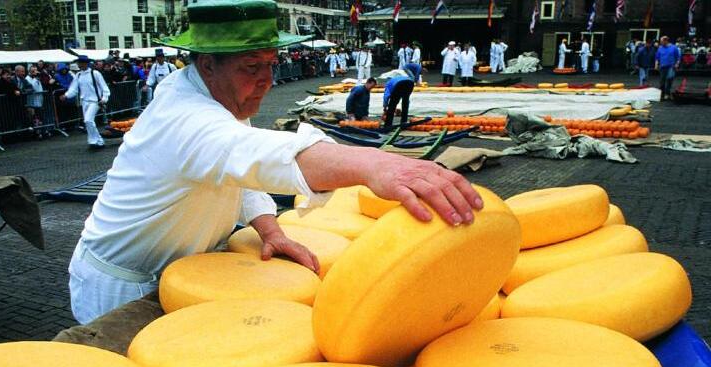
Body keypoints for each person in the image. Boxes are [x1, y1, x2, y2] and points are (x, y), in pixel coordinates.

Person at [67, 0, 483, 324]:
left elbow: (237, 173)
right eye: (252, 67)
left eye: (271, 64)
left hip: (184, 272)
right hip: (123, 285)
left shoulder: (219, 96)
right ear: (207, 64)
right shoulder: (184, 116)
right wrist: (374, 164)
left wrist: (269, 229)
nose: (266, 80)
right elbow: (257, 156)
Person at [60, 55, 110, 149]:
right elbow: (73, 89)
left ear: (86, 63)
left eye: (81, 62)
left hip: (95, 101)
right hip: (84, 101)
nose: (79, 64)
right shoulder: (78, 75)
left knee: (88, 120)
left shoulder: (95, 73)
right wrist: (66, 95)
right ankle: (95, 141)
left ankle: (97, 140)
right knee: (88, 121)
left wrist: (104, 99)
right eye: (78, 62)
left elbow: (104, 87)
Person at [655, 36, 681, 101]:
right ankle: (662, 95)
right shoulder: (660, 48)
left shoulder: (674, 48)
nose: (660, 43)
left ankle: (667, 93)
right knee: (662, 81)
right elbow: (657, 57)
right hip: (662, 67)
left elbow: (678, 57)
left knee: (669, 79)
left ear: (666, 41)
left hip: (671, 66)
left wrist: (677, 64)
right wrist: (656, 64)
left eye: (661, 41)